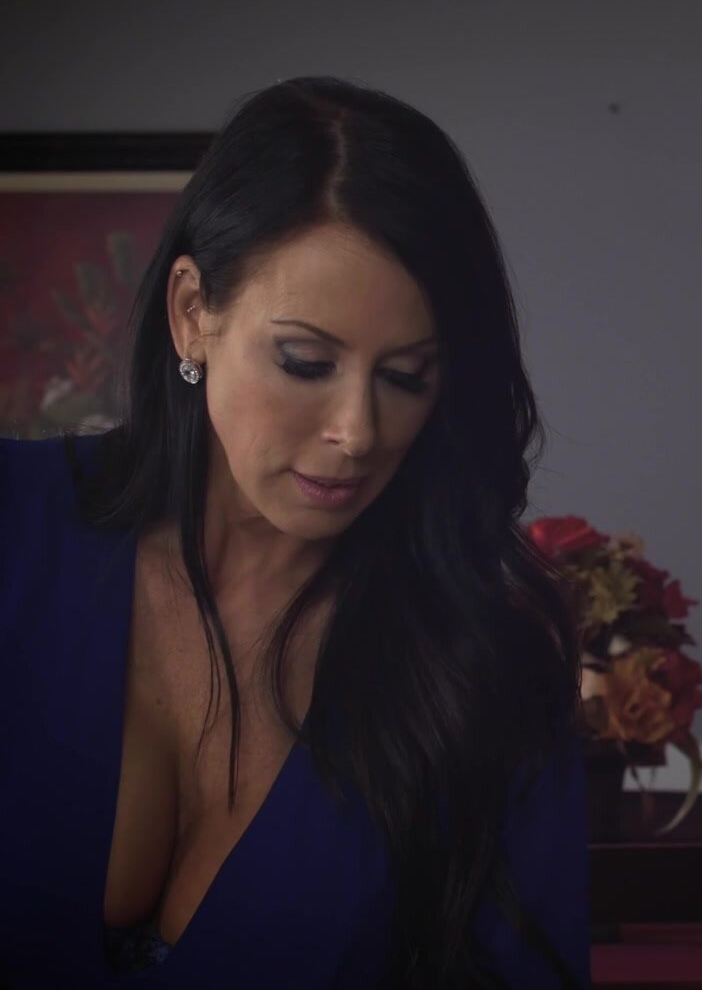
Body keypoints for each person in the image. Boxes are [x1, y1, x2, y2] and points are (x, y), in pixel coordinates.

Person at [0, 77, 587, 986]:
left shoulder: (482, 659)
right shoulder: (17, 527)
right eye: (306, 362)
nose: (357, 432)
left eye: (406, 376)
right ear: (192, 316)